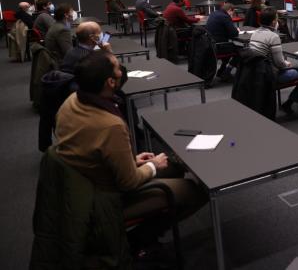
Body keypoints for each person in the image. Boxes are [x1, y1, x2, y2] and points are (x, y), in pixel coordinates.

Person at [54, 51, 206, 253]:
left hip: (86, 185)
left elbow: (91, 150)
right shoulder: (110, 125)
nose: (122, 71)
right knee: (196, 191)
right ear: (110, 82)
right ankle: (134, 243)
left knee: (174, 167)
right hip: (105, 199)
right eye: (118, 67)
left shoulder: (72, 100)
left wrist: (131, 160)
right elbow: (128, 182)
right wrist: (152, 166)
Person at [249, 7, 298, 116]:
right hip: (271, 75)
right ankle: (288, 104)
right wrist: (286, 63)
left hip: (257, 73)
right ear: (274, 21)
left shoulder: (255, 33)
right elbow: (280, 64)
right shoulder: (273, 36)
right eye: (277, 18)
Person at [205, 2, 239, 78]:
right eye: (232, 13)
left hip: (211, 45)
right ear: (230, 10)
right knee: (240, 50)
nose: (232, 15)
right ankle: (227, 71)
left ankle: (222, 70)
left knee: (229, 46)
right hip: (219, 46)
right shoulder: (225, 17)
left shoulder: (214, 13)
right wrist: (235, 29)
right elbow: (234, 33)